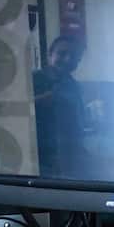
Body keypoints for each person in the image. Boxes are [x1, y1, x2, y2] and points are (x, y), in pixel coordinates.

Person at [33, 34, 88, 178]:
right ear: (50, 54)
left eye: (74, 56)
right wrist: (41, 100)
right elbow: (12, 111)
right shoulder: (31, 79)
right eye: (62, 53)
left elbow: (79, 122)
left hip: (70, 155)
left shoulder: (74, 85)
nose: (68, 59)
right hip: (38, 156)